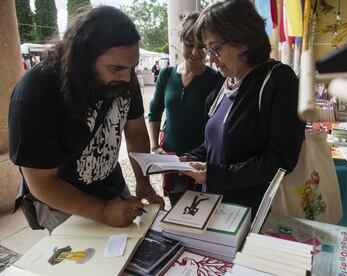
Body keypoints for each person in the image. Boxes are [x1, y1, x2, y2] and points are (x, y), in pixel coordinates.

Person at [8, 6, 164, 232]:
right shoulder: (35, 94)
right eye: (116, 68)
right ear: (83, 57)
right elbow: (41, 182)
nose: (127, 77)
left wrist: (142, 182)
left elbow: (136, 132)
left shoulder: (123, 77)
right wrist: (102, 211)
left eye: (133, 67)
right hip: (62, 203)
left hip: (112, 186)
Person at [181, 0, 305, 217]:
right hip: (212, 204)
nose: (211, 59)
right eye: (208, 50)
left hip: (250, 212)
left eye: (216, 49)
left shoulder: (278, 80)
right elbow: (216, 144)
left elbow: (281, 159)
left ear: (243, 40)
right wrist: (189, 158)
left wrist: (217, 175)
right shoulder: (225, 84)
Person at [148, 12, 221, 205]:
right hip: (172, 158)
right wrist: (155, 146)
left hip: (201, 162)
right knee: (176, 206)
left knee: (201, 210)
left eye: (202, 47)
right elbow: (154, 111)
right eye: (189, 44)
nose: (195, 52)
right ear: (180, 41)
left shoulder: (217, 80)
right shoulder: (166, 75)